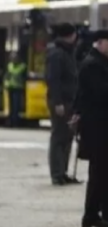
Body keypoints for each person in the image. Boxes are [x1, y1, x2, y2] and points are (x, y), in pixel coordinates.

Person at [71, 29, 108, 227]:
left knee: (104, 173)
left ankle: (101, 214)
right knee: (100, 173)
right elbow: (99, 93)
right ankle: (93, 215)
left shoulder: (103, 63)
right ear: (101, 43)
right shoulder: (92, 65)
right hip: (98, 129)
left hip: (102, 128)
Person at [45, 22, 82, 185]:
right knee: (59, 136)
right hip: (61, 102)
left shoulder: (68, 52)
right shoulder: (57, 54)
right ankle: (57, 173)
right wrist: (57, 102)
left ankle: (63, 172)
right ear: (71, 35)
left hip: (70, 101)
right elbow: (54, 80)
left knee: (68, 137)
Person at [4, 51, 26, 127]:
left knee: (16, 106)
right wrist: (6, 83)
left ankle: (15, 122)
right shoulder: (9, 66)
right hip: (10, 88)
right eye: (12, 58)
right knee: (11, 107)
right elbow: (6, 76)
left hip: (18, 88)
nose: (13, 60)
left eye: (15, 58)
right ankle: (10, 121)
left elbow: (24, 77)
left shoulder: (22, 66)